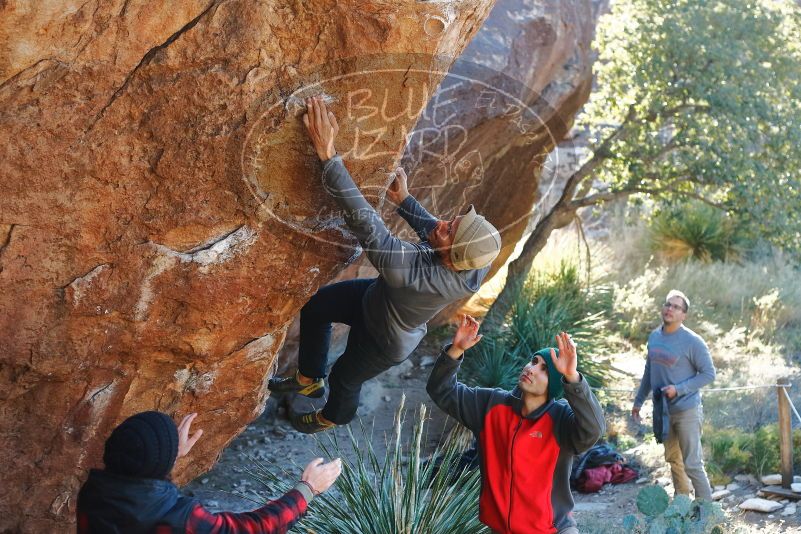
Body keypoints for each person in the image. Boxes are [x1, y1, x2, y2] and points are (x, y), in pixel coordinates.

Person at [268, 96, 502, 433]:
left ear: (452, 258)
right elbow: (439, 237)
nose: (444, 222)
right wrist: (405, 201)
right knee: (318, 306)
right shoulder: (473, 263)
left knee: (345, 378)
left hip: (385, 341)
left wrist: (328, 155)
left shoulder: (409, 274)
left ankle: (331, 417)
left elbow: (367, 224)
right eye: (454, 221)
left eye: (450, 230)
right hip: (377, 301)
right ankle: (308, 379)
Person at [426, 315, 605, 534]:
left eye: (544, 370)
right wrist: (455, 350)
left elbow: (593, 429)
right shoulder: (490, 406)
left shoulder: (561, 420)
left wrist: (572, 376)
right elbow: (441, 390)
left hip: (553, 530)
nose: (532, 369)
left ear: (556, 385)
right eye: (533, 362)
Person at [76, 411, 341, 533]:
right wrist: (307, 489)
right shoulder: (181, 518)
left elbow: (143, 500)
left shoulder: (93, 493)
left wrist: (170, 456)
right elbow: (251, 528)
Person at [631, 289, 716, 501]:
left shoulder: (693, 341)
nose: (670, 309)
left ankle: (706, 512)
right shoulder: (654, 336)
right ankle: (682, 506)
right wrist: (639, 401)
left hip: (687, 410)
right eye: (668, 304)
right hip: (663, 412)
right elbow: (649, 372)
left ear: (683, 315)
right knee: (673, 460)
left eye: (676, 307)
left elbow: (708, 374)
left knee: (693, 464)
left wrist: (678, 389)